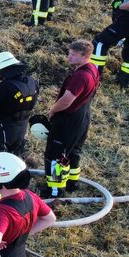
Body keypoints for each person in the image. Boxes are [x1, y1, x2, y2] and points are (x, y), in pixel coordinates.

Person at [38, 40, 100, 198]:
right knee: (73, 151)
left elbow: (67, 100)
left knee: (56, 156)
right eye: (69, 53)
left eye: (73, 54)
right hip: (82, 117)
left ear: (85, 56)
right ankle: (73, 182)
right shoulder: (92, 69)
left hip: (68, 119)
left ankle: (55, 190)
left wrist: (52, 111)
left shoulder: (81, 76)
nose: (68, 57)